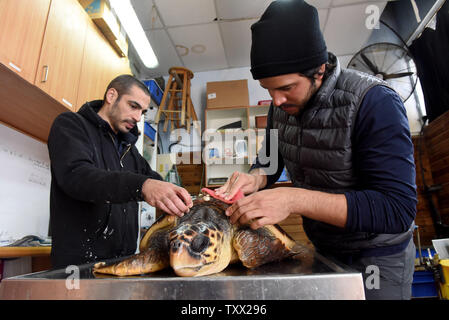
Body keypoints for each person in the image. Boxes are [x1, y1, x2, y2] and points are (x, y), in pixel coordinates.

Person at [215, 0, 417, 300]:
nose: (277, 100)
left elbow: (396, 209)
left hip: (378, 255)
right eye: (268, 90)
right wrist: (255, 178)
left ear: (319, 71)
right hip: (323, 248)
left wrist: (295, 199)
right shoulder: (279, 107)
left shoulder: (374, 102)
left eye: (286, 88)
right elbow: (270, 161)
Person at [48, 75, 193, 269]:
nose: (137, 117)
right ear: (111, 95)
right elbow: (78, 176)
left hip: (121, 262)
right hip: (78, 266)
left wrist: (190, 198)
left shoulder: (130, 151)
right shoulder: (71, 125)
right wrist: (142, 186)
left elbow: (157, 183)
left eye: (142, 111)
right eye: (133, 106)